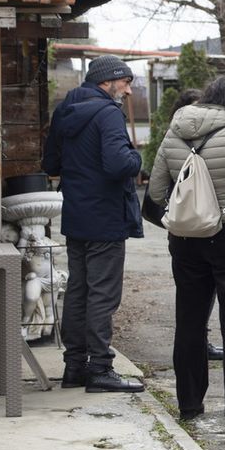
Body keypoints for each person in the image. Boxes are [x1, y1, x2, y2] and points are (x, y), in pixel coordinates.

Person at [149, 75, 225, 424]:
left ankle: (189, 405)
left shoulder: (174, 133)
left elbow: (156, 192)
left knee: (189, 319)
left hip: (186, 237)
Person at [42, 54, 145, 394]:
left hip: (76, 215)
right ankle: (100, 369)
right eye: (125, 82)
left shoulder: (65, 111)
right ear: (107, 81)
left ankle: (74, 367)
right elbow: (118, 164)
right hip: (106, 217)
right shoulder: (108, 113)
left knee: (78, 291)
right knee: (103, 294)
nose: (128, 91)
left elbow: (50, 163)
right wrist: (137, 158)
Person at [169, 89, 223, 363]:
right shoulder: (217, 138)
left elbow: (157, 189)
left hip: (181, 226)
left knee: (192, 293)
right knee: (199, 291)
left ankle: (197, 342)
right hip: (205, 223)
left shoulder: (170, 139)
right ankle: (198, 342)